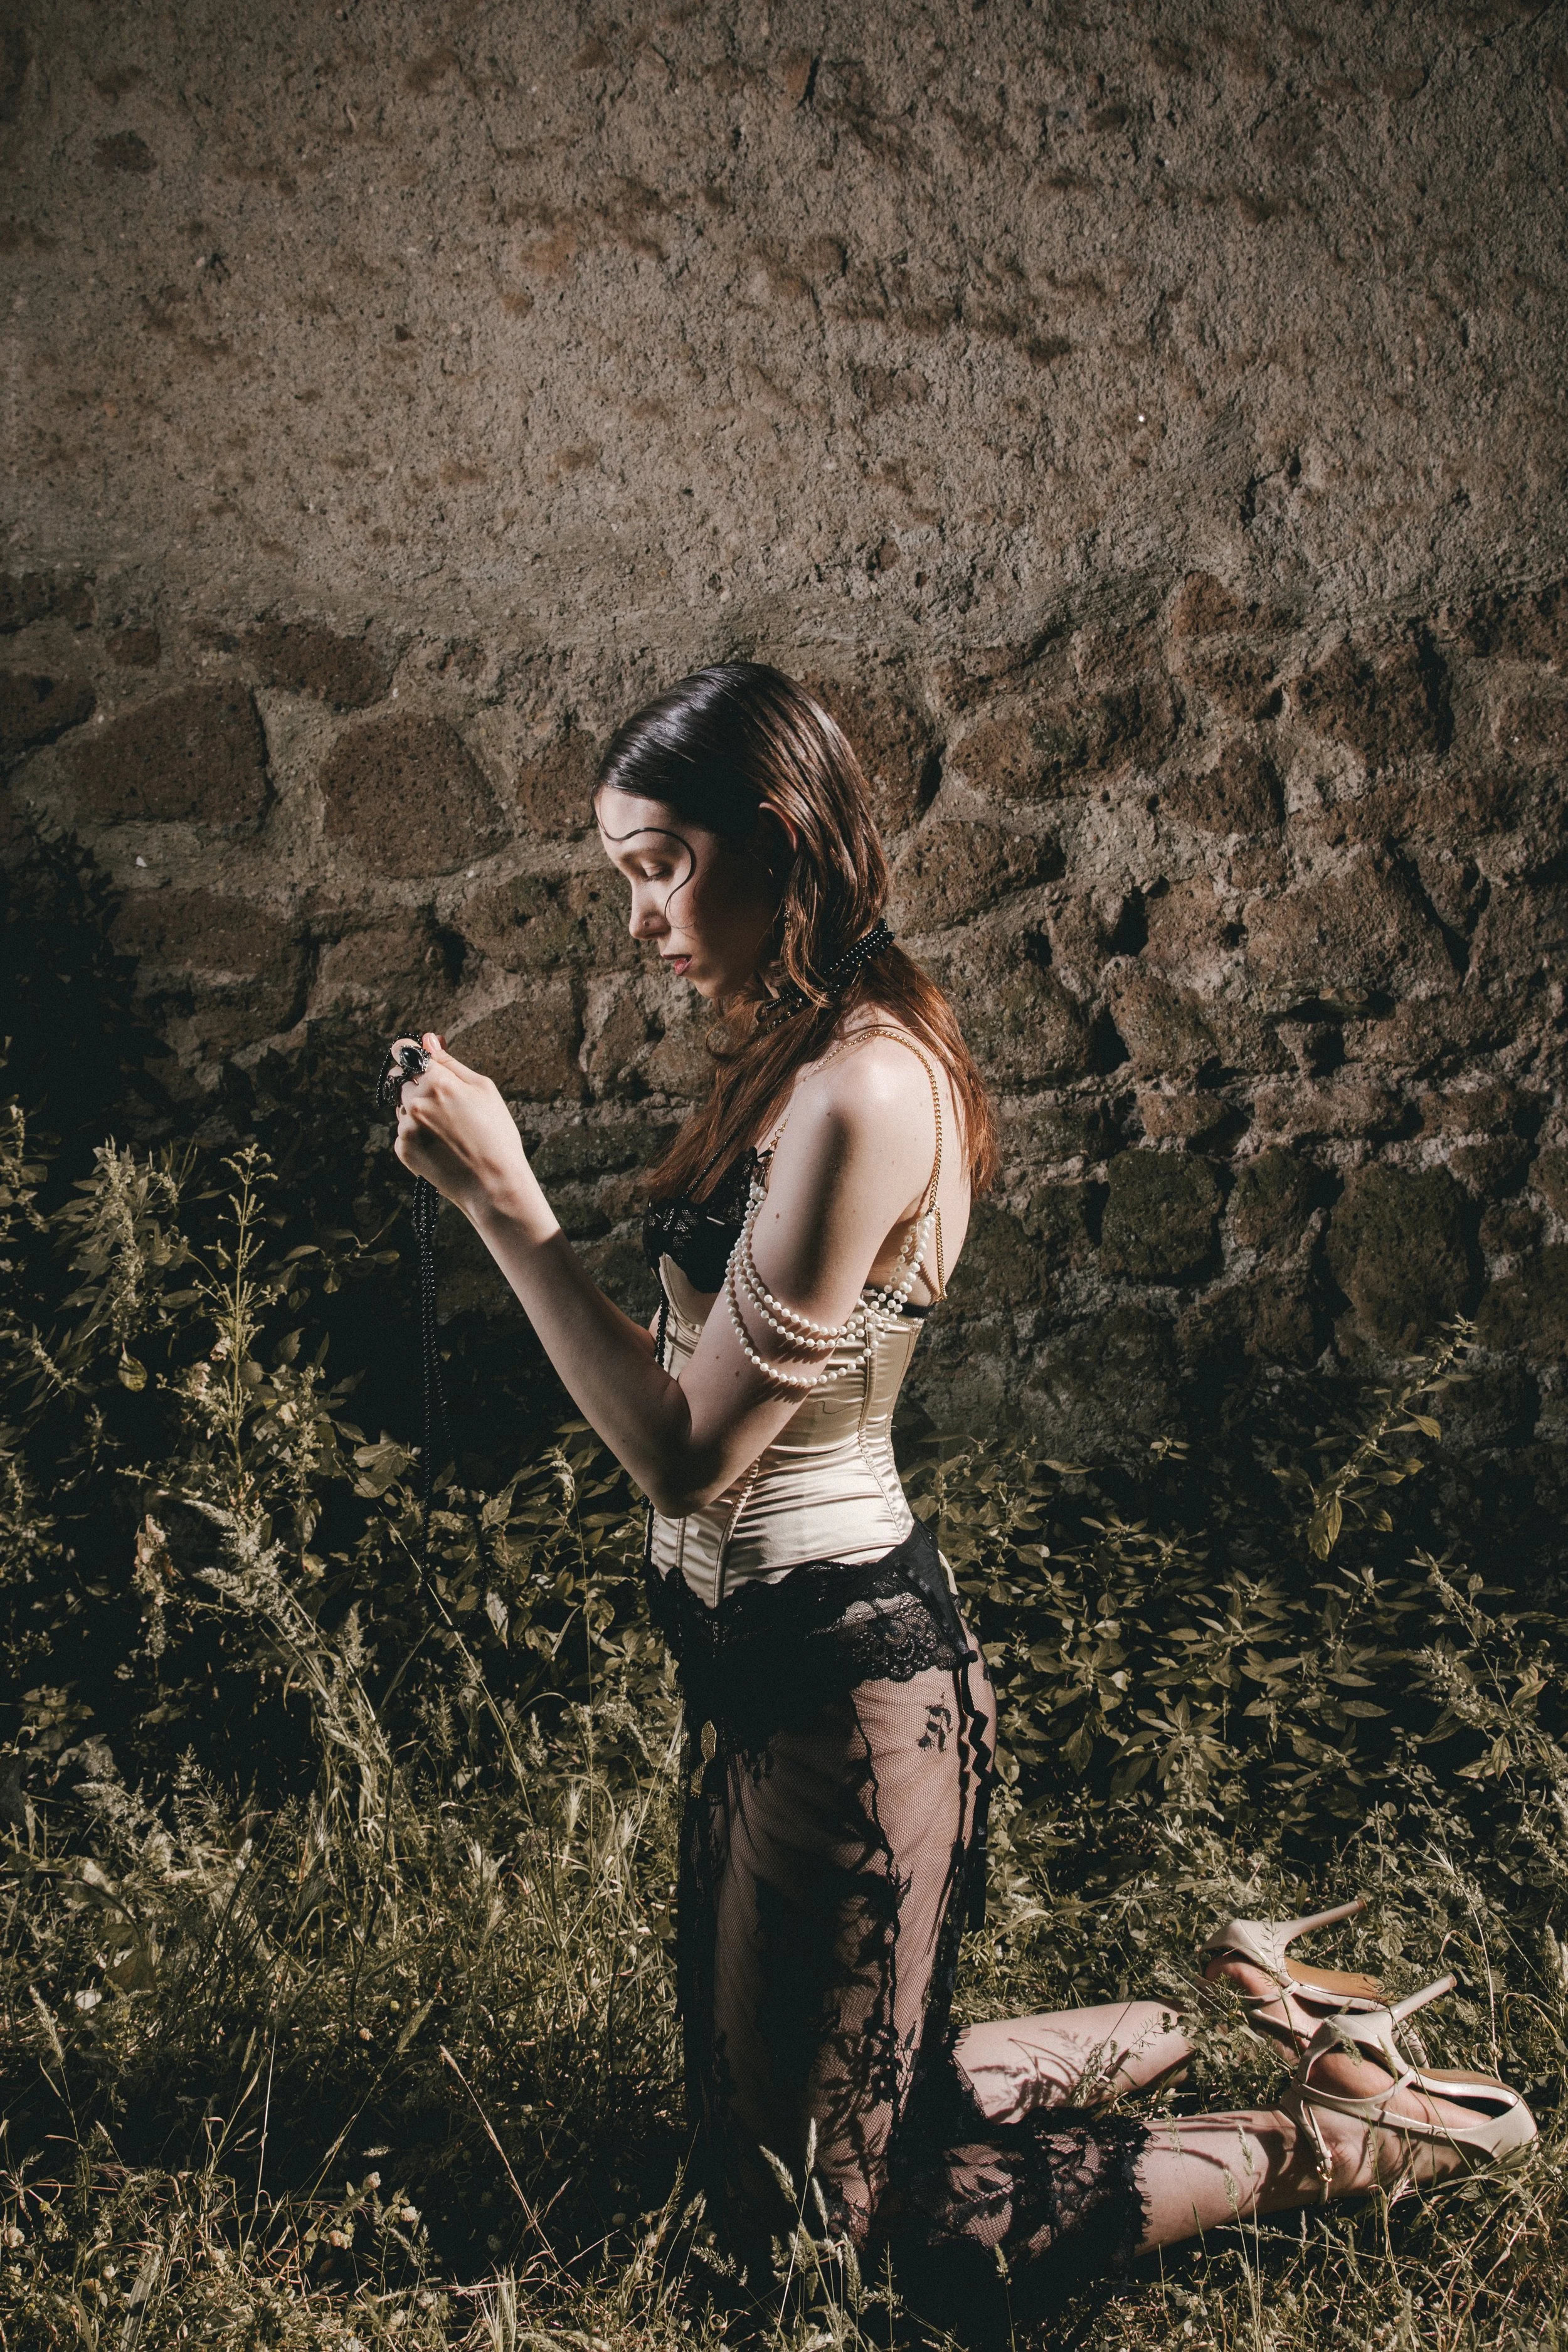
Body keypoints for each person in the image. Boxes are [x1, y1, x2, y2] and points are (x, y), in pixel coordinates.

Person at [388, 662, 1535, 2324]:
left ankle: (1339, 2137)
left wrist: (508, 1203)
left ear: (772, 838)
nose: (636, 919)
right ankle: (1205, 2014)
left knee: (822, 2250)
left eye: (658, 865)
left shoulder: (863, 1087)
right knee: (760, 2166)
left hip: (846, 1701)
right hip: (756, 1683)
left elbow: (691, 1451)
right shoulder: (794, 1053)